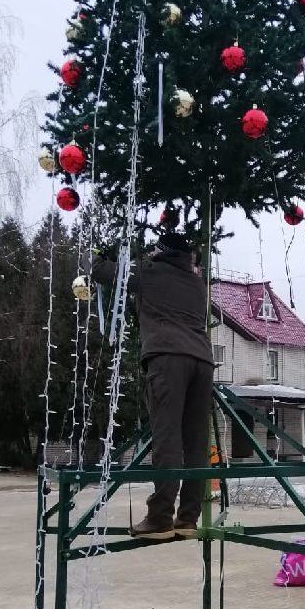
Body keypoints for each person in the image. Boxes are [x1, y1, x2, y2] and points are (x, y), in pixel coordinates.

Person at [92, 231, 214, 541]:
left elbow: (102, 272)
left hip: (167, 359)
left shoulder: (150, 272)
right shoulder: (198, 283)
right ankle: (187, 519)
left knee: (167, 436)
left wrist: (94, 253)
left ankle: (160, 518)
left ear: (160, 251)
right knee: (196, 441)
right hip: (203, 362)